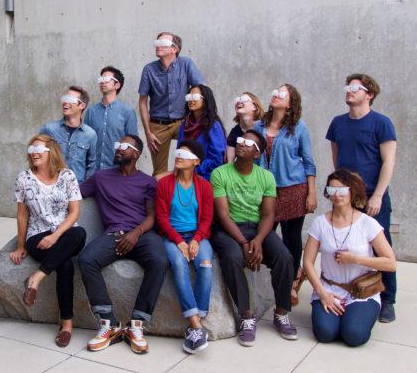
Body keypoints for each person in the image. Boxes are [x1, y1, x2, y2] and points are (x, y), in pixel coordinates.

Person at [78, 135, 168, 354]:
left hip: (142, 234)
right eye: (117, 145)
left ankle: (136, 325)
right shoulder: (101, 178)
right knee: (86, 259)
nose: (118, 149)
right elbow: (73, 193)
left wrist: (135, 234)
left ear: (136, 154)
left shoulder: (147, 181)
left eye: (124, 147)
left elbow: (151, 217)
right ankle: (109, 324)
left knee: (159, 260)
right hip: (113, 235)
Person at [210, 129, 297, 346]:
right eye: (240, 141)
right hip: (228, 228)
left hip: (258, 228)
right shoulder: (220, 173)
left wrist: (257, 241)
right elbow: (222, 215)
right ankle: (246, 316)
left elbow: (268, 215)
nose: (241, 144)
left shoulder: (266, 176)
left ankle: (281, 311)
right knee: (231, 258)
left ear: (257, 154)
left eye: (248, 143)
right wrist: (243, 243)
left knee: (284, 257)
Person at [326, 73, 398, 323]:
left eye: (356, 87)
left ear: (369, 94)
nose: (350, 90)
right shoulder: (337, 123)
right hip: (346, 196)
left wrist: (377, 195)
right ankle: (351, 289)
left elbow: (389, 161)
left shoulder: (382, 123)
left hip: (372, 196)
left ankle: (388, 298)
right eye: (348, 86)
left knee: (380, 243)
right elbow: (337, 160)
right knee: (344, 241)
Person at [303, 169, 396, 346]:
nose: (337, 195)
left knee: (354, 336)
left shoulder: (367, 223)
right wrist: (322, 294)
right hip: (329, 288)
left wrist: (354, 259)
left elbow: (391, 263)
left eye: (342, 190)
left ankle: (358, 316)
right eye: (331, 190)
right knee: (325, 334)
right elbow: (307, 262)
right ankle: (338, 318)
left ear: (352, 190)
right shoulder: (320, 223)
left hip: (361, 291)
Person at [9, 134, 87, 348]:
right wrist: (21, 246)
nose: (34, 152)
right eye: (31, 149)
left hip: (64, 233)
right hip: (38, 236)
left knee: (79, 234)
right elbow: (23, 214)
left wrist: (55, 236)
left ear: (50, 152)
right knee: (65, 265)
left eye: (39, 149)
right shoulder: (24, 178)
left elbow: (74, 213)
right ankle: (67, 325)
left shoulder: (68, 176)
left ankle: (36, 278)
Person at [254, 84, 317, 306]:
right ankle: (267, 277)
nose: (276, 95)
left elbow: (308, 161)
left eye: (282, 94)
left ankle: (291, 283)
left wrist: (312, 193)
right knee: (265, 233)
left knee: (291, 237)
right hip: (265, 190)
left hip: (293, 188)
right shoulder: (258, 125)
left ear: (290, 102)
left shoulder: (299, 128)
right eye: (275, 92)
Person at [155, 140, 214, 354]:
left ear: (196, 161)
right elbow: (161, 217)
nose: (178, 156)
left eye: (184, 154)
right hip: (172, 237)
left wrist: (196, 240)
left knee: (206, 265)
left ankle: (194, 325)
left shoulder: (205, 186)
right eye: (177, 153)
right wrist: (179, 241)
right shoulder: (164, 184)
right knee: (179, 265)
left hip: (197, 236)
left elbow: (207, 219)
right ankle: (196, 325)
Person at [138, 31, 205, 176]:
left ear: (175, 49)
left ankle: (184, 196)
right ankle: (162, 198)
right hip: (158, 125)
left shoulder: (186, 64)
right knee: (159, 171)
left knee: (187, 164)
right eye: (157, 43)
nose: (158, 46)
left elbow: (200, 89)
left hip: (183, 122)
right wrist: (148, 132)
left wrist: (196, 118)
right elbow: (143, 102)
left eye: (163, 43)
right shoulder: (149, 69)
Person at [84, 66, 139, 171]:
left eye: (107, 80)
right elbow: (85, 141)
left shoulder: (127, 112)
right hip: (93, 171)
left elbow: (132, 146)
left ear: (117, 85)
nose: (103, 82)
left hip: (117, 171)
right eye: (101, 79)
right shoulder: (91, 112)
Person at [39, 86, 98, 183]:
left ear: (82, 105)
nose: (66, 102)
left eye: (71, 99)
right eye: (65, 98)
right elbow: (38, 157)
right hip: (52, 188)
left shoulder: (90, 134)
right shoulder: (48, 129)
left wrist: (84, 189)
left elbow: (92, 164)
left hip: (77, 190)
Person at [173, 85, 226, 180]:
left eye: (195, 97)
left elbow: (217, 159)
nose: (191, 100)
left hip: (205, 175)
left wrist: (195, 170)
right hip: (184, 173)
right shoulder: (184, 125)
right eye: (189, 97)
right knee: (158, 180)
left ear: (205, 100)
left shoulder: (213, 125)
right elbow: (179, 151)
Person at [227, 92, 264, 162]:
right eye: (238, 99)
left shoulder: (264, 128)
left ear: (254, 107)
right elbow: (229, 162)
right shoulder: (234, 132)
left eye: (244, 99)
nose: (239, 101)